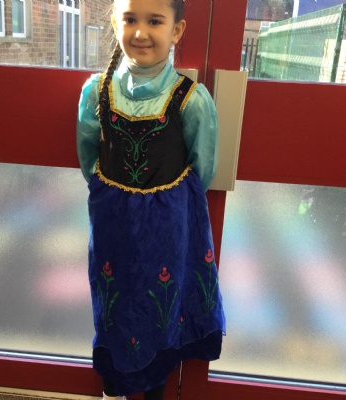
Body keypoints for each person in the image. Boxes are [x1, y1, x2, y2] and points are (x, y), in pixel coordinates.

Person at [76, 0, 225, 399]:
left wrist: (161, 201)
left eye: (155, 21)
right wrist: (114, 197)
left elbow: (202, 169)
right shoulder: (96, 91)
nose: (141, 32)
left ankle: (154, 388)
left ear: (176, 30)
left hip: (167, 228)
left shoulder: (192, 99)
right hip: (112, 225)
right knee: (114, 299)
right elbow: (89, 157)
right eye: (130, 19)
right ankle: (113, 387)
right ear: (115, 23)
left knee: (161, 303)